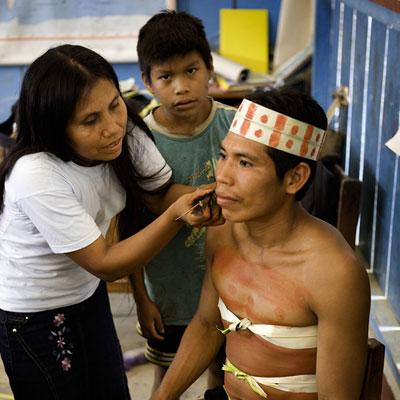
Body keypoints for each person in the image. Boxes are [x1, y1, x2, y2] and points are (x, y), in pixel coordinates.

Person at [0, 44, 222, 400]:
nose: (112, 127)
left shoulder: (124, 132)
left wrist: (218, 194)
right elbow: (104, 262)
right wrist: (178, 214)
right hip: (33, 316)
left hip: (86, 294)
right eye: (90, 120)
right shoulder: (36, 175)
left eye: (115, 105)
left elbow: (158, 193)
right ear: (55, 128)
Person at [150, 87, 371, 400]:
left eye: (245, 163)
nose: (222, 176)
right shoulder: (224, 229)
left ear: (295, 178)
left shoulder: (334, 273)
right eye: (224, 155)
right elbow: (205, 323)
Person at [129, 9, 237, 395]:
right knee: (167, 381)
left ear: (210, 67)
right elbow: (131, 227)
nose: (181, 87)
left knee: (220, 377)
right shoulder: (139, 139)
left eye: (191, 71)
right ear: (147, 81)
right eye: (165, 77)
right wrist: (141, 298)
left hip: (230, 287)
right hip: (169, 293)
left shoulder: (237, 127)